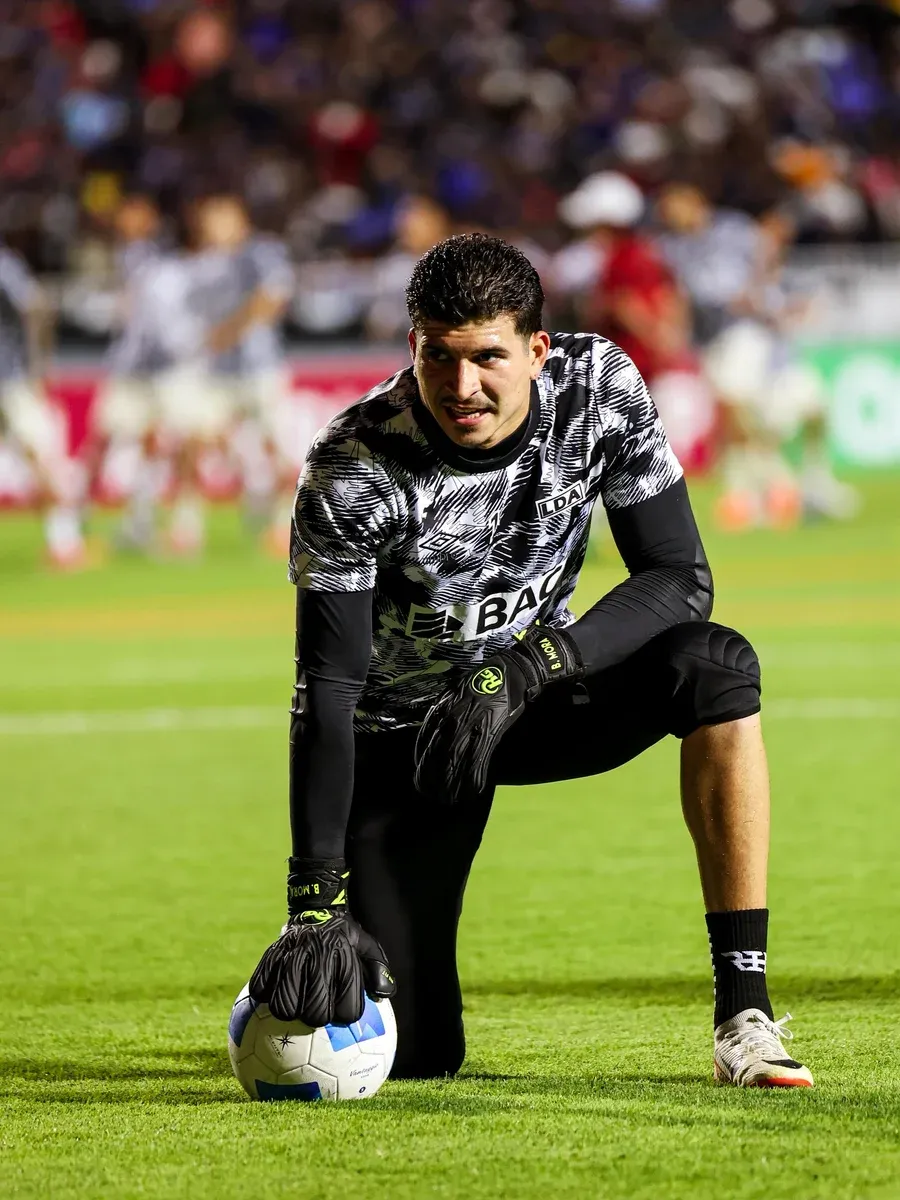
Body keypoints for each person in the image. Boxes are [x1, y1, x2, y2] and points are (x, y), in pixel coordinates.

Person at [248, 233, 814, 1089]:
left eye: (487, 358)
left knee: (716, 666)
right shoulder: (354, 462)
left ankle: (746, 1014)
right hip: (408, 741)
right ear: (414, 346)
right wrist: (312, 899)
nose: (460, 385)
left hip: (534, 695)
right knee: (418, 1057)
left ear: (538, 350)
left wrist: (528, 665)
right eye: (438, 355)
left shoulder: (598, 388)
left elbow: (678, 577)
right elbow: (326, 688)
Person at [655, 183, 857, 528]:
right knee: (745, 412)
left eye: (678, 207)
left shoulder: (732, 230)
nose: (673, 217)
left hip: (765, 337)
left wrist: (772, 297)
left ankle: (805, 482)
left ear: (696, 202)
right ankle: (764, 490)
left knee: (805, 408)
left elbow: (762, 264)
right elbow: (702, 294)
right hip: (725, 339)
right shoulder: (674, 249)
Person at [0, 241, 86, 568]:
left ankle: (65, 544)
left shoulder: (4, 263)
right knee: (42, 458)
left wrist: (38, 366)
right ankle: (66, 544)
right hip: (11, 379)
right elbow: (36, 304)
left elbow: (35, 305)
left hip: (10, 379)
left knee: (42, 458)